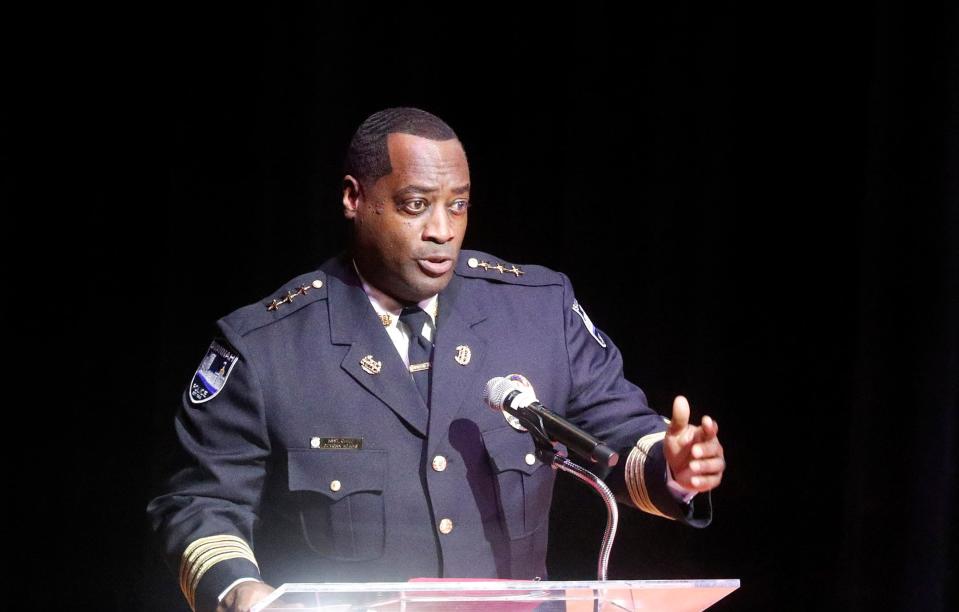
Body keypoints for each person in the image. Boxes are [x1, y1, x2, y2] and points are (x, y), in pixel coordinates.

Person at [147, 107, 726, 612]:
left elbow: (615, 434)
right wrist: (236, 590)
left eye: (458, 205)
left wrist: (671, 468)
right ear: (355, 199)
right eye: (416, 205)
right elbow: (202, 501)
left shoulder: (538, 311)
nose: (442, 231)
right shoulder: (266, 346)